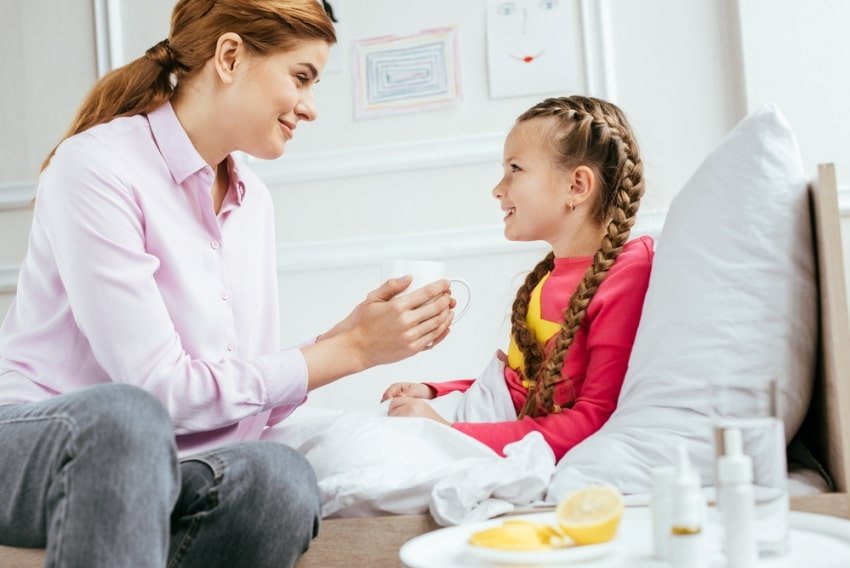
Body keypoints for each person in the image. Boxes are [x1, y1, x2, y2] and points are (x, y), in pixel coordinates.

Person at [0, 1, 455, 567]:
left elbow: (239, 403)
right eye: (302, 77)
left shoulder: (252, 202)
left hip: (163, 460)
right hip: (37, 442)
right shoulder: (96, 166)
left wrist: (350, 338)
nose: (310, 108)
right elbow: (159, 394)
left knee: (277, 477)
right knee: (127, 419)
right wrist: (350, 350)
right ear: (230, 55)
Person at [382, 96, 654, 461]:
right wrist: (435, 392)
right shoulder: (548, 276)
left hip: (488, 440)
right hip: (482, 422)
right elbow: (520, 389)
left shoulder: (625, 275)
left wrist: (447, 433)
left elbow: (593, 422)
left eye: (515, 169)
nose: (498, 188)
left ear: (576, 186)